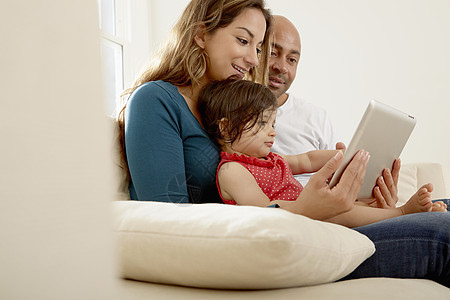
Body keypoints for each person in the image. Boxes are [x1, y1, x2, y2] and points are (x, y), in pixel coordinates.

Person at [117, 0, 449, 287]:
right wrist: (309, 209)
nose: (252, 59)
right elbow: (166, 223)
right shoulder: (157, 100)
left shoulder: (229, 114)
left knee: (445, 204)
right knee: (442, 232)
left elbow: (288, 174)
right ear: (201, 34)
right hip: (259, 248)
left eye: (257, 48)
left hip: (298, 228)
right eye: (243, 41)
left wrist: (360, 195)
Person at [198, 78, 447, 227]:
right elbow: (263, 209)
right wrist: (310, 205)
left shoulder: (272, 160)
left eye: (273, 124)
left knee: (353, 201)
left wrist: (343, 156)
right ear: (226, 126)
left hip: (309, 208)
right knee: (342, 209)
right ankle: (401, 213)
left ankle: (399, 213)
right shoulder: (233, 170)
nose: (272, 132)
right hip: (302, 219)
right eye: (263, 123)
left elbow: (307, 159)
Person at [268, 15, 405, 209]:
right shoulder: (236, 119)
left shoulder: (315, 116)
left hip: (343, 210)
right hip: (312, 214)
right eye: (273, 52)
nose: (281, 67)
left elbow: (335, 180)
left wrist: (373, 193)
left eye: (292, 60)